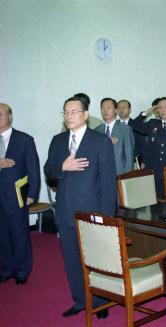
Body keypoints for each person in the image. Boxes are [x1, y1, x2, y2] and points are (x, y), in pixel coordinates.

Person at [44, 96, 116, 318]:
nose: (69, 116)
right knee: (72, 259)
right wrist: (62, 166)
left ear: (85, 115)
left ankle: (100, 301)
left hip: (91, 212)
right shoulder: (58, 140)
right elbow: (48, 170)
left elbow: (108, 182)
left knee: (95, 260)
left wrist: (105, 217)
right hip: (65, 211)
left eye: (74, 111)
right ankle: (80, 300)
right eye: (66, 112)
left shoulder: (100, 141)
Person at [0, 103, 40, 285]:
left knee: (19, 233)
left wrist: (32, 194)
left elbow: (33, 169)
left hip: (16, 196)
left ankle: (23, 269)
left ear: (10, 117)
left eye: (0, 114)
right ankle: (7, 268)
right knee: (2, 235)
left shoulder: (24, 139)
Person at [96, 98, 135, 175]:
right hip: (101, 174)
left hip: (119, 174)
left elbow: (129, 157)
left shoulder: (125, 129)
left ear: (115, 110)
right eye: (103, 108)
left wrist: (127, 177)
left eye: (108, 108)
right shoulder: (97, 130)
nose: (105, 111)